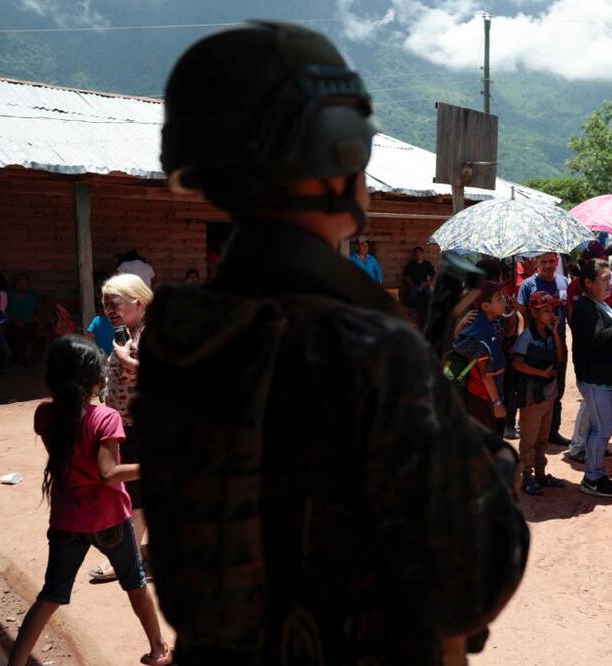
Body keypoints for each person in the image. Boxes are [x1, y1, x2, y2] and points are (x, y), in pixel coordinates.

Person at [135, 22, 527, 663]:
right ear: (336, 149)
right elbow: (471, 584)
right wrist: (480, 453)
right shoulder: (364, 346)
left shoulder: (184, 333)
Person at [7, 336, 171, 666]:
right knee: (136, 585)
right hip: (109, 518)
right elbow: (108, 473)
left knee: (50, 595)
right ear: (95, 379)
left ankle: (16, 661)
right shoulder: (105, 418)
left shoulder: (44, 416)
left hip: (67, 519)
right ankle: (158, 649)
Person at [89, 273, 152, 584]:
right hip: (127, 423)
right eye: (105, 305)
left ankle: (131, 557)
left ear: (137, 303)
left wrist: (128, 362)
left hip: (140, 425)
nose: (109, 310)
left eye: (115, 304)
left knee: (133, 493)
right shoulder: (133, 331)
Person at [570, 258, 612, 497]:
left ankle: (595, 474)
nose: (610, 284)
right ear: (588, 282)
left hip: (606, 378)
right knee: (602, 429)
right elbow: (599, 339)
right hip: (596, 379)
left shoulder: (600, 304)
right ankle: (592, 477)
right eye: (605, 280)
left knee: (601, 427)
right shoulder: (585, 307)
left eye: (610, 280)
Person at [510, 291, 566, 496]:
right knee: (529, 439)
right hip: (532, 396)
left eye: (552, 310)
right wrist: (540, 372)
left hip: (548, 394)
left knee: (543, 437)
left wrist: (556, 331)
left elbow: (559, 358)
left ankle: (541, 474)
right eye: (546, 310)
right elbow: (517, 363)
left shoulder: (550, 333)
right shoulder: (527, 336)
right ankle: (526, 477)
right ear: (534, 313)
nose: (551, 314)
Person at [516, 252, 571, 447]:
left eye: (551, 261)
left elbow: (569, 313)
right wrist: (523, 345)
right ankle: (532, 433)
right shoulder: (527, 286)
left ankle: (552, 431)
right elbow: (520, 316)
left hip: (558, 344)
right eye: (543, 262)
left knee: (558, 388)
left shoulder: (564, 283)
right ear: (536, 263)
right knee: (534, 391)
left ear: (557, 262)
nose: (548, 266)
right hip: (535, 348)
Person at [453, 281, 509, 436]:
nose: (503, 300)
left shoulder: (480, 324)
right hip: (484, 399)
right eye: (498, 298)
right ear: (486, 306)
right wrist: (497, 403)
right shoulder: (483, 334)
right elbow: (486, 375)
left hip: (476, 395)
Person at [6, 273, 41, 366]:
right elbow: (4, 311)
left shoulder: (32, 295)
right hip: (12, 322)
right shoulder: (9, 294)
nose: (22, 283)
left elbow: (43, 304)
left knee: (32, 333)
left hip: (29, 322)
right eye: (20, 281)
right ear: (15, 283)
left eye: (25, 281)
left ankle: (27, 358)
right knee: (14, 333)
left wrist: (38, 315)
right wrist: (15, 320)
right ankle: (16, 359)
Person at [402, 245, 436, 326]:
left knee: (429, 293)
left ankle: (429, 313)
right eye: (416, 253)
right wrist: (413, 285)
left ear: (423, 254)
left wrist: (427, 283)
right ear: (414, 255)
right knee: (411, 294)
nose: (418, 254)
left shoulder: (427, 264)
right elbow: (407, 277)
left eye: (419, 253)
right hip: (414, 285)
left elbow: (434, 275)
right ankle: (416, 312)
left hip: (424, 284)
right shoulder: (411, 265)